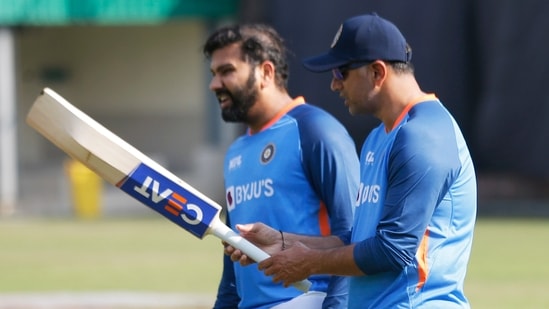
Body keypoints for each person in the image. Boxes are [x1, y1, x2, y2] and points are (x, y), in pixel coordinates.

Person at [226, 13, 478, 308]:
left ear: (377, 72)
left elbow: (393, 250)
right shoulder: (379, 137)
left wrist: (311, 262)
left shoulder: (423, 135)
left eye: (340, 73)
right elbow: (359, 240)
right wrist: (283, 242)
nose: (334, 85)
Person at [202, 23, 360, 309]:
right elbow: (232, 266)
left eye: (227, 71)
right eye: (213, 74)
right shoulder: (235, 152)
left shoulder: (315, 131)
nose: (214, 84)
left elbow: (354, 234)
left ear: (266, 72)